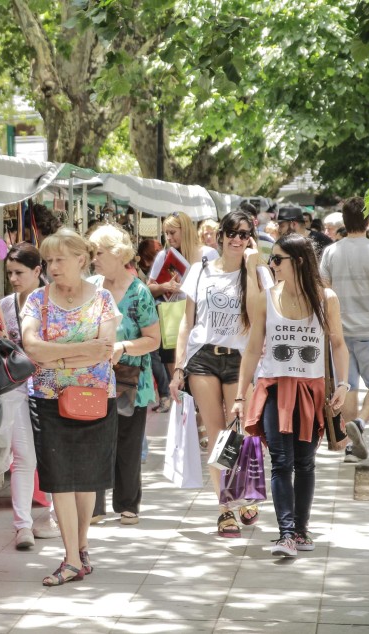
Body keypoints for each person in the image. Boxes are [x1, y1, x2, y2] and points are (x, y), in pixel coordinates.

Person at [232, 233, 349, 556]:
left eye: (277, 259)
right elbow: (253, 349)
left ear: (297, 261)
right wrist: (240, 396)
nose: (272, 265)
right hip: (274, 388)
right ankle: (285, 533)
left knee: (305, 462)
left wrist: (343, 384)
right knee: (281, 462)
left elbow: (338, 343)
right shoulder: (266, 298)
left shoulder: (326, 298)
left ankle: (300, 530)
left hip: (312, 389)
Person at [20, 228, 119, 586]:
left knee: (87, 478)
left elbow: (104, 350)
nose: (53, 267)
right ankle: (72, 559)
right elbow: (31, 346)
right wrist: (77, 354)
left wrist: (55, 358)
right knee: (60, 479)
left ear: (81, 259)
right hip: (48, 399)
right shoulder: (37, 299)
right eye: (48, 260)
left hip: (94, 399)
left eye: (59, 259)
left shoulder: (103, 298)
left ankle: (82, 547)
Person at [169, 209, 271, 538]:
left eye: (244, 234)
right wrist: (179, 365)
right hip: (203, 358)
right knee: (217, 435)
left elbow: (256, 315)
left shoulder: (258, 272)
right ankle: (225, 506)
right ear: (221, 235)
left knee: (240, 431)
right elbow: (187, 322)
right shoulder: (200, 271)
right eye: (233, 233)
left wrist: (251, 267)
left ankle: (244, 492)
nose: (238, 239)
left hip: (241, 359)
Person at [319, 196, 369, 462]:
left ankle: (352, 448)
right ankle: (361, 423)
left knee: (348, 386)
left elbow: (324, 293)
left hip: (339, 333)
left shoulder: (331, 252)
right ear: (368, 221)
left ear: (344, 221)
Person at [89, 225, 161, 525]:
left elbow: (154, 340)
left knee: (128, 444)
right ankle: (93, 506)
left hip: (131, 379)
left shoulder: (139, 292)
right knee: (94, 441)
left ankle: (128, 503)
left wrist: (123, 346)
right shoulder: (90, 287)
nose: (93, 259)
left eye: (98, 253)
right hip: (93, 377)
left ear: (118, 254)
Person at [0, 242, 59, 549]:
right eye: (9, 272)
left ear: (37, 271)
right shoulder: (5, 304)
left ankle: (54, 517)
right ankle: (23, 526)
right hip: (17, 390)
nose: (13, 278)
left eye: (19, 272)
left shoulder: (53, 303)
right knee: (23, 457)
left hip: (52, 387)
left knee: (53, 455)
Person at [148, 212, 219, 390]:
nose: (169, 238)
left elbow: (219, 287)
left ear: (185, 230)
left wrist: (189, 288)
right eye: (166, 233)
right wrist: (165, 286)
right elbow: (148, 288)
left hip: (201, 321)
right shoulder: (163, 256)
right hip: (172, 319)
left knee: (200, 378)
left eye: (172, 232)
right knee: (178, 381)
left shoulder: (208, 254)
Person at [137, 238, 171, 414]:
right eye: (156, 248)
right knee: (159, 357)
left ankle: (166, 395)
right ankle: (166, 395)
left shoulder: (145, 271)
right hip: (157, 313)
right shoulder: (145, 269)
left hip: (155, 314)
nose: (160, 249)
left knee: (157, 357)